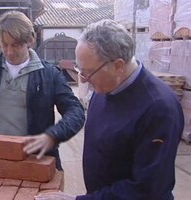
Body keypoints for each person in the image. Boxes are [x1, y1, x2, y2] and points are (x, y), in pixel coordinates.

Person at [36, 19, 184, 199]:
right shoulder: (104, 87)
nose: (82, 80)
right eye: (80, 70)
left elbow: (147, 190)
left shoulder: (158, 109)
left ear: (118, 66)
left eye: (88, 72)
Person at [0, 10, 85, 170]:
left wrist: (53, 135)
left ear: (30, 40)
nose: (9, 52)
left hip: (35, 160)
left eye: (16, 45)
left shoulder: (50, 75)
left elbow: (76, 111)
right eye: (4, 45)